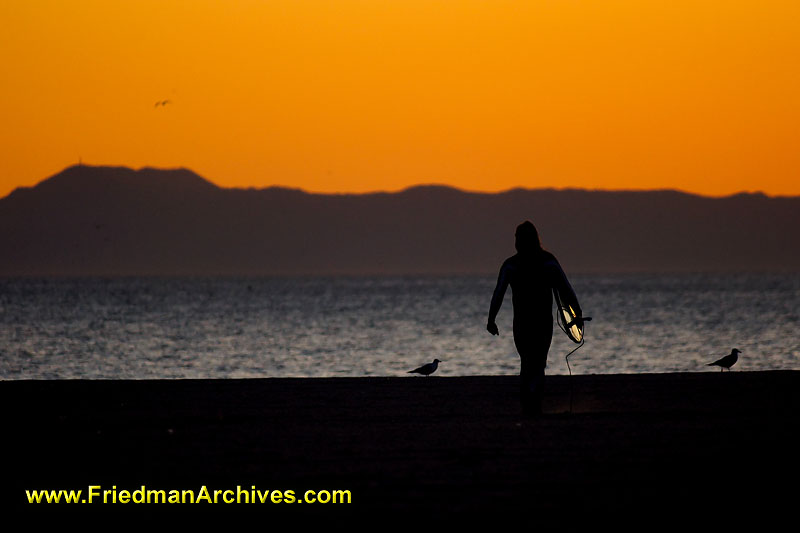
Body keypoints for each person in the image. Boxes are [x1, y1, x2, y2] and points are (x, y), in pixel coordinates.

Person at [487, 221, 581, 416]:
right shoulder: (547, 261)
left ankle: (529, 405)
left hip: (522, 323)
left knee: (528, 362)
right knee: (538, 362)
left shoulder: (511, 265)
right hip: (541, 322)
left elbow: (498, 293)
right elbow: (566, 289)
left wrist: (491, 319)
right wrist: (576, 314)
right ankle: (534, 403)